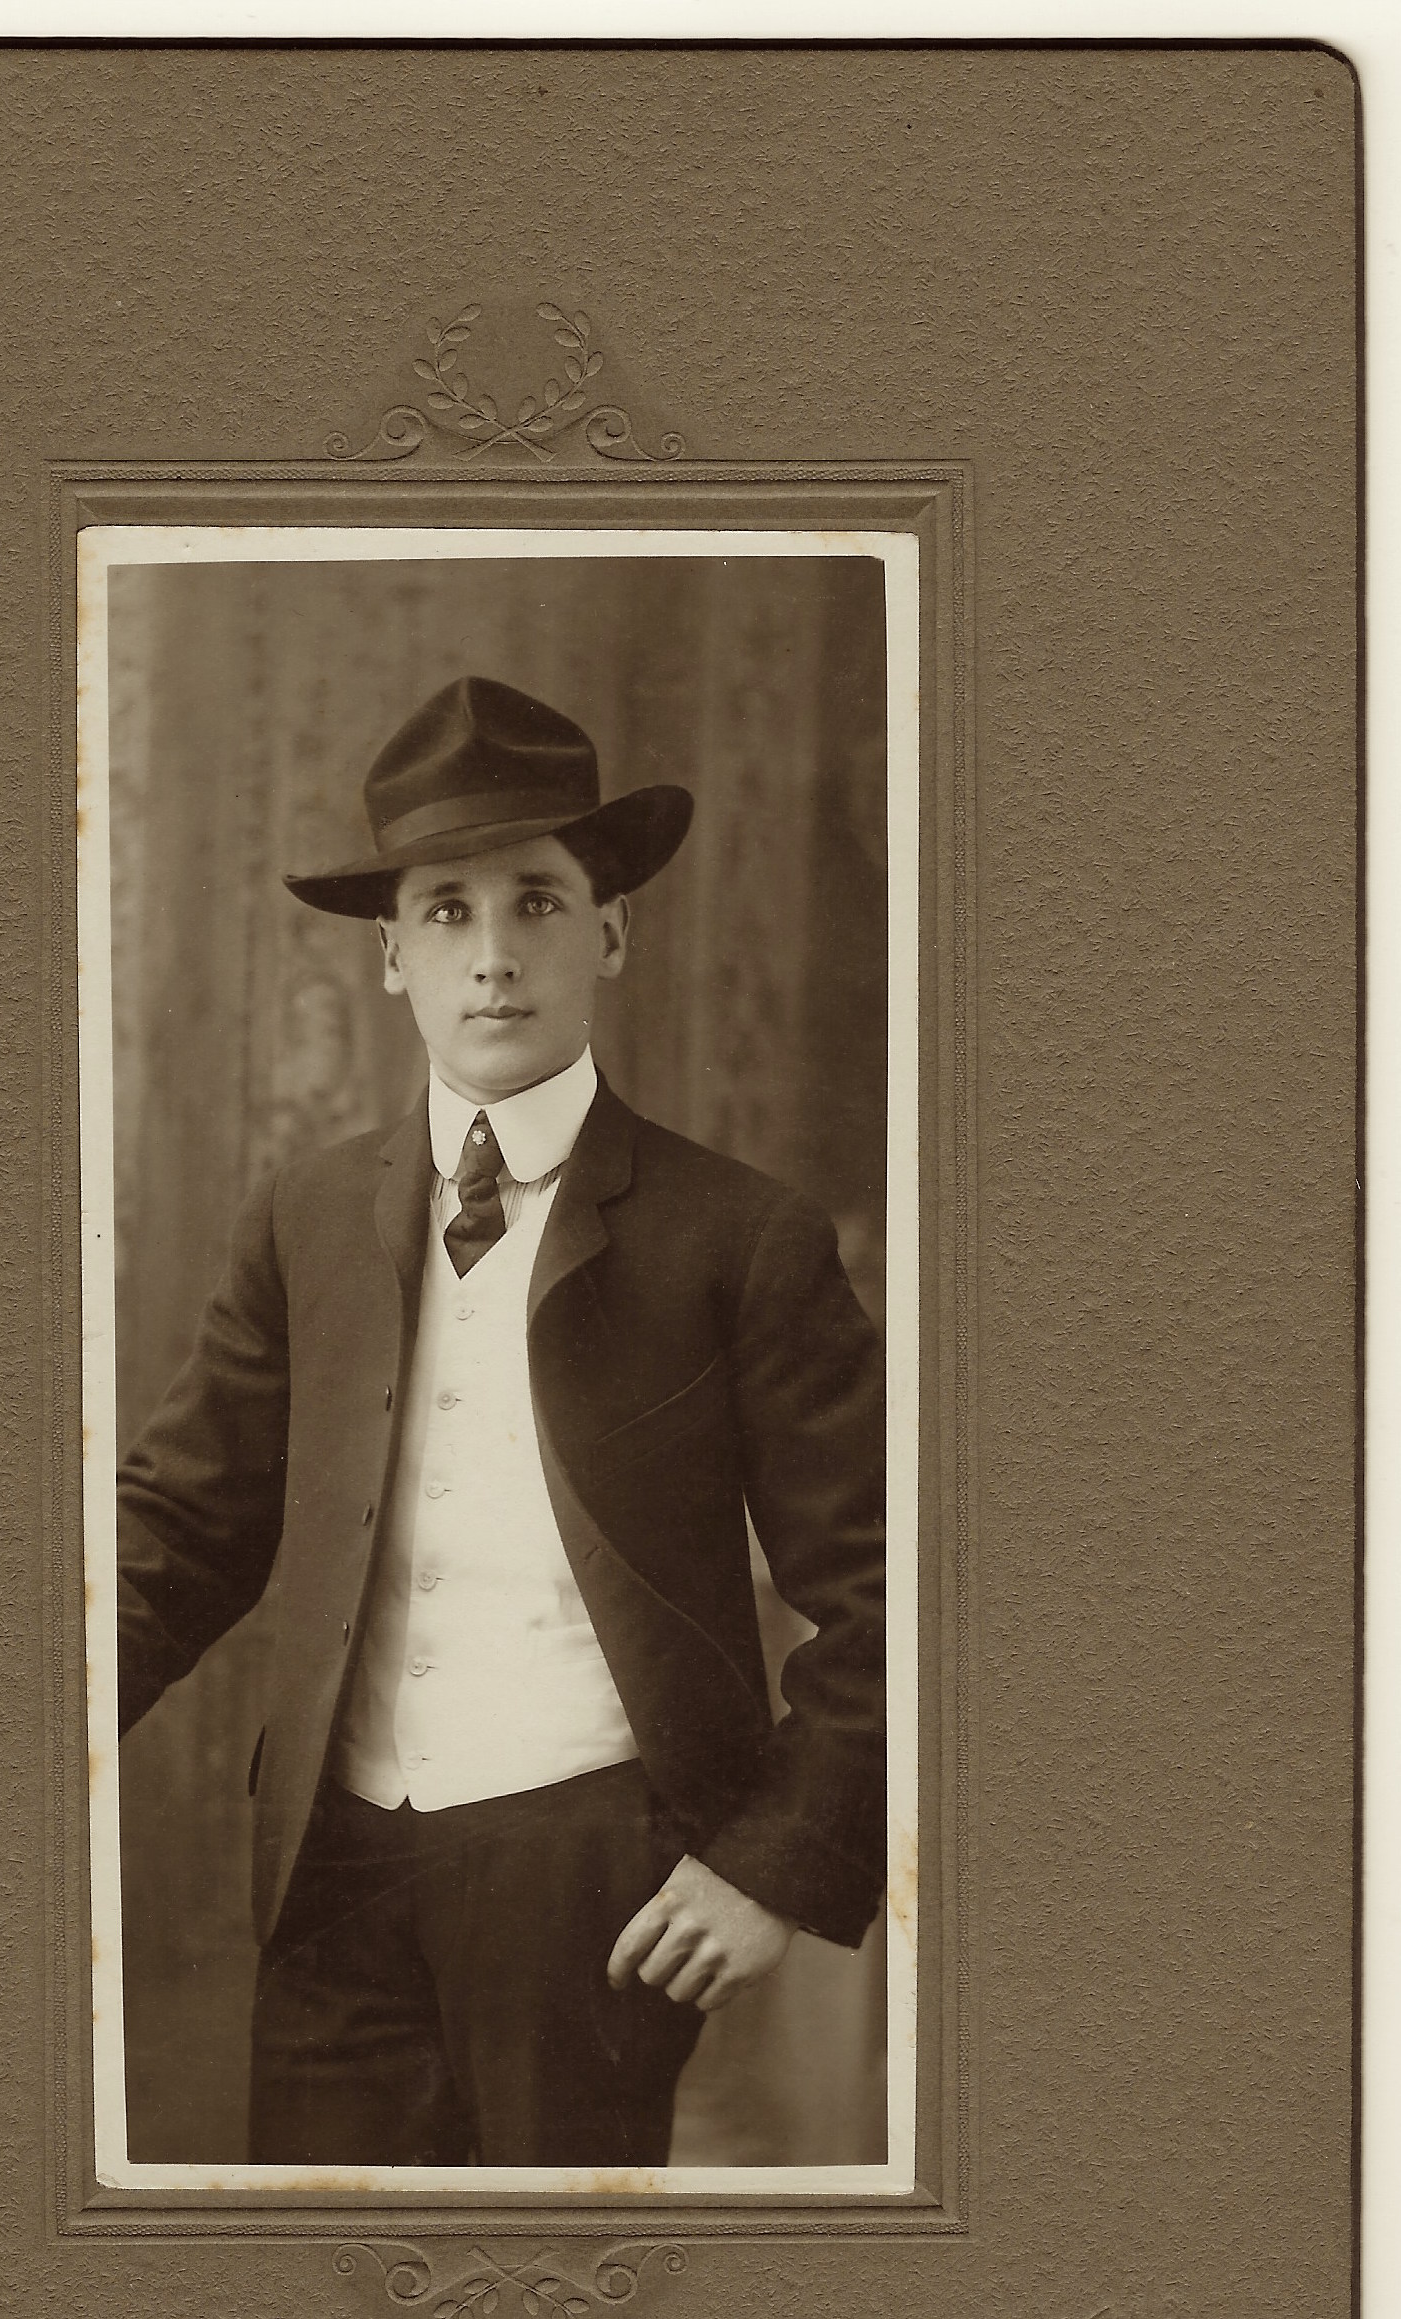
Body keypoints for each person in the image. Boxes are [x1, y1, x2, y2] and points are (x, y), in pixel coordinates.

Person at [116, 674, 886, 2169]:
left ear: (610, 933)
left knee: (552, 2280)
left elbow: (887, 1593)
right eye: (446, 911)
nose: (491, 956)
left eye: (536, 902)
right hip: (334, 1863)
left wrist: (775, 1867)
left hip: (592, 1869)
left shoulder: (739, 1236)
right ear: (390, 953)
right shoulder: (306, 1214)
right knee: (315, 2274)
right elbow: (183, 1525)